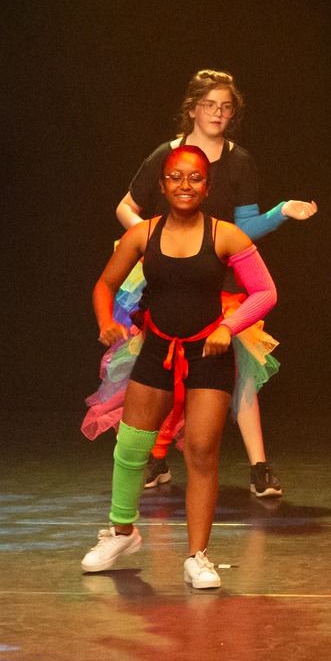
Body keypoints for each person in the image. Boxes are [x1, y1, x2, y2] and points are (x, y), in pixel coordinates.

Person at [112, 70, 314, 499]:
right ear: (192, 109)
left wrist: (281, 212)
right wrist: (153, 240)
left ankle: (259, 466)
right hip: (168, 274)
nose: (218, 113)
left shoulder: (240, 162)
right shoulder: (166, 156)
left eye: (226, 107)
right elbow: (127, 207)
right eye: (210, 105)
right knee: (164, 367)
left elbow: (245, 227)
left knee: (236, 368)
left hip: (217, 275)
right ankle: (156, 458)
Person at [83, 145, 277, 587]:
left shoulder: (225, 235)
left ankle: (197, 557)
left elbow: (265, 292)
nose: (185, 185)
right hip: (157, 349)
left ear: (207, 187)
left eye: (195, 178)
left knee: (201, 453)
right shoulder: (143, 235)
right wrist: (106, 321)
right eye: (175, 177)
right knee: (131, 447)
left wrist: (229, 326)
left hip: (208, 354)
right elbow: (104, 284)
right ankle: (123, 533)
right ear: (162, 184)